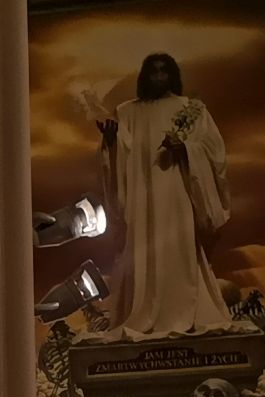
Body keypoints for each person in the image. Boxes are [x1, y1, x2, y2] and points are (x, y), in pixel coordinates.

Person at [94, 52, 234, 337]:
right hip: (141, 199)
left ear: (172, 75)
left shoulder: (190, 109)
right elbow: (119, 156)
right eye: (153, 71)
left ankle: (183, 310)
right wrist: (110, 142)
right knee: (143, 250)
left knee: (179, 249)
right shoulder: (127, 112)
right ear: (144, 76)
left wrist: (186, 150)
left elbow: (214, 152)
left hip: (176, 194)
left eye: (164, 71)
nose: (159, 77)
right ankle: (143, 311)